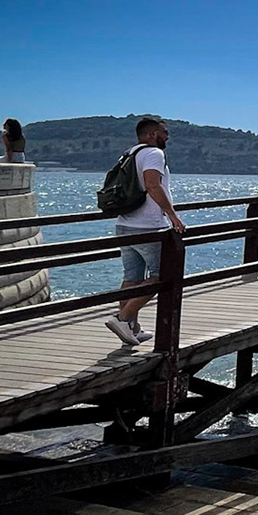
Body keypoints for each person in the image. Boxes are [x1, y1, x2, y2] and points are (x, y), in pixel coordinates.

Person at [108, 117, 184, 348]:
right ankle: (121, 318)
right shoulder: (154, 154)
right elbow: (153, 184)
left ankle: (132, 327)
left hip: (125, 224)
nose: (167, 136)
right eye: (164, 132)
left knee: (132, 277)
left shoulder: (130, 153)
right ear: (152, 134)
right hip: (148, 227)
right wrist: (171, 214)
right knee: (161, 276)